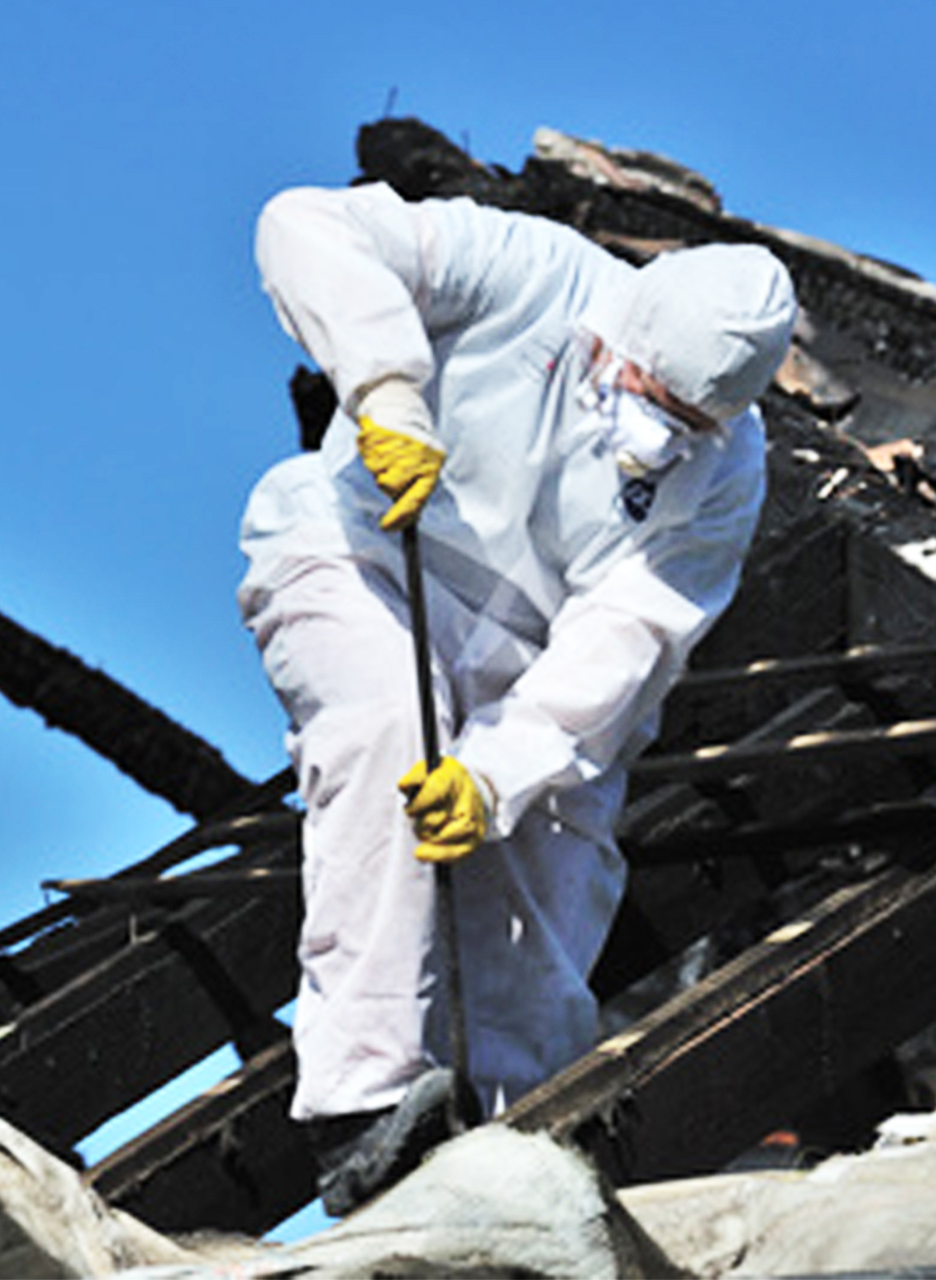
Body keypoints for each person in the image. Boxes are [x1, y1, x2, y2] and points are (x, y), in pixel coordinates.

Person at [237, 181, 795, 1215]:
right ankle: (363, 1110)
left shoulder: (729, 465)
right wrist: (387, 388)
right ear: (621, 333)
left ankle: (512, 1167)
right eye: (655, 396)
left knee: (548, 888)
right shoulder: (528, 266)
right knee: (387, 735)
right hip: (365, 560)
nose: (663, 433)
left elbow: (631, 631)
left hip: (533, 657)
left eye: (691, 421)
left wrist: (500, 774)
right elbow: (299, 223)